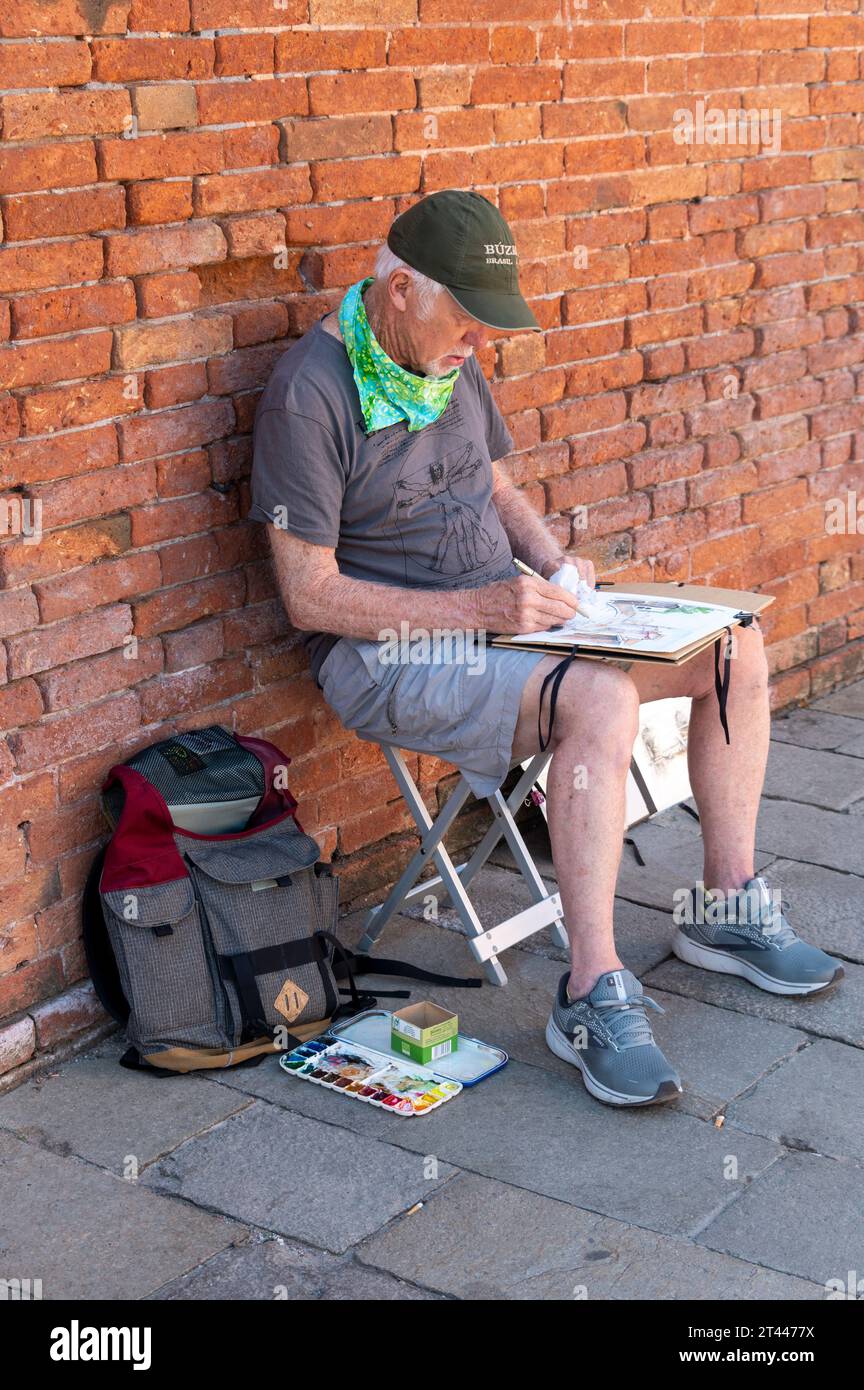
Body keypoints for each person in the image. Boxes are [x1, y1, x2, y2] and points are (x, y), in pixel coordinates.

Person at [250, 189, 843, 1108]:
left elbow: (493, 485)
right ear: (399, 291)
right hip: (391, 653)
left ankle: (726, 907)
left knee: (737, 646)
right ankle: (589, 992)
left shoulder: (439, 355)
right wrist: (479, 606)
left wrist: (557, 564)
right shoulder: (310, 394)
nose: (476, 343)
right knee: (599, 702)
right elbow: (310, 595)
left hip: (517, 620)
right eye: (465, 319)